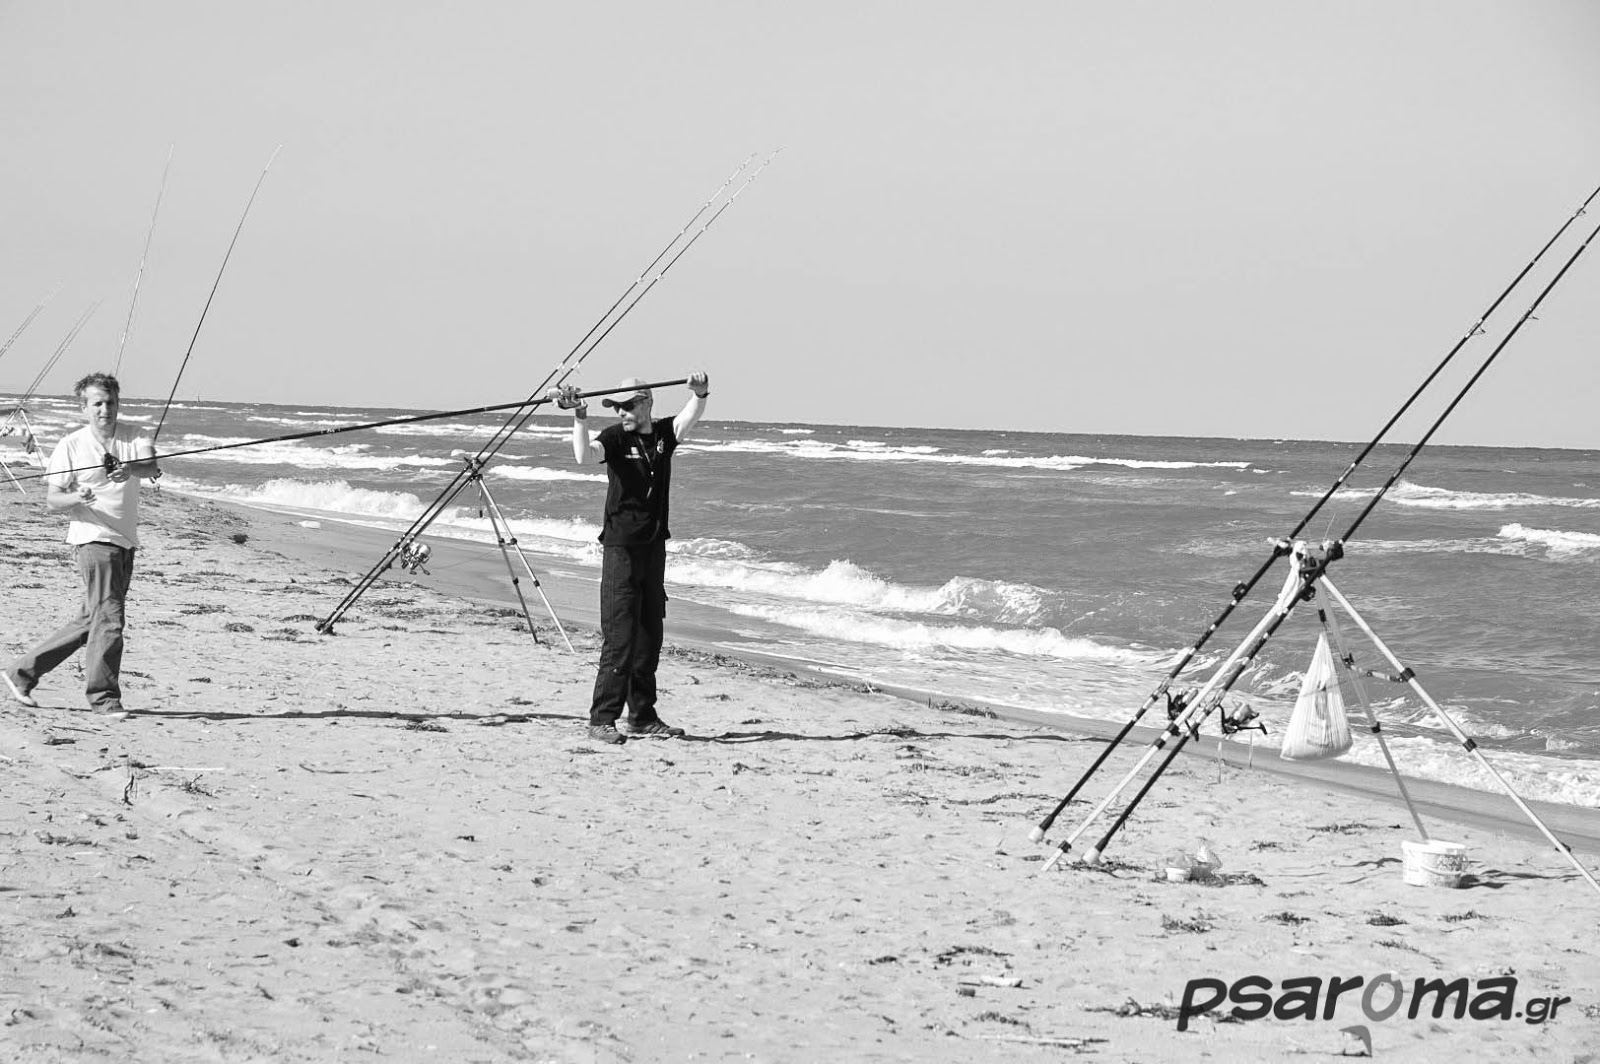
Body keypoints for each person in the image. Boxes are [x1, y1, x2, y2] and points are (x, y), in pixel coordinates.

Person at [550, 372, 709, 745]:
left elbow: (690, 415)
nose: (621, 412)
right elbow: (583, 456)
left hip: (653, 548)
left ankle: (642, 717)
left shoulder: (664, 434)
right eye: (616, 407)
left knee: (649, 637)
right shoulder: (615, 437)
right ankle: (602, 719)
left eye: (627, 406)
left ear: (646, 403)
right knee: (620, 638)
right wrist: (579, 416)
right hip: (620, 549)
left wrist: (701, 393)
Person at [4, 373, 160, 718]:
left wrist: (129, 469)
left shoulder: (136, 435)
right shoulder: (71, 445)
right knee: (111, 621)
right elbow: (52, 500)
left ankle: (21, 673)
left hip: (124, 541)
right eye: (97, 403)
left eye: (110, 402)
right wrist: (78, 496)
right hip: (92, 538)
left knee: (93, 620)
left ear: (118, 403)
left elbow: (151, 466)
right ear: (84, 407)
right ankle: (104, 698)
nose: (105, 409)